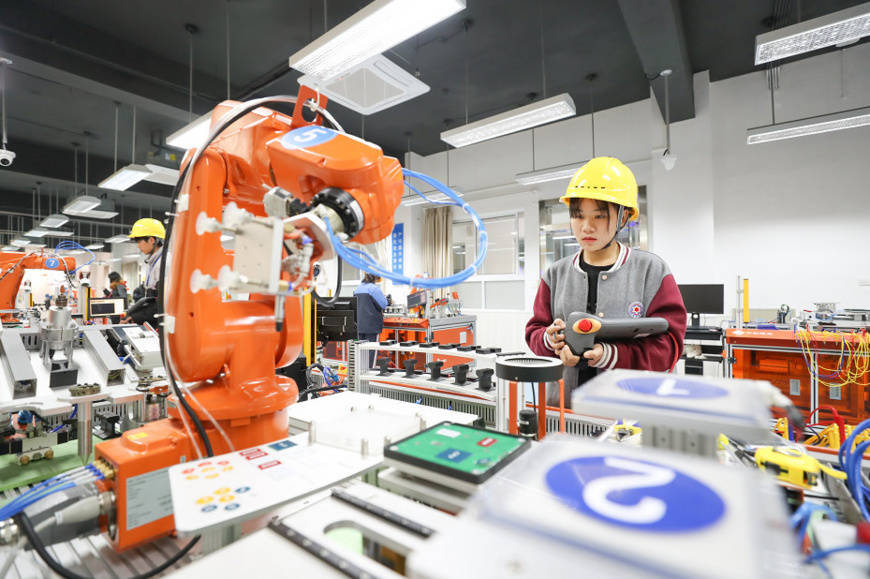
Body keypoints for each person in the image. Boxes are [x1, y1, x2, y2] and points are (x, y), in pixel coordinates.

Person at [525, 157, 686, 406]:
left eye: (599, 216)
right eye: (578, 216)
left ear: (623, 217)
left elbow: (670, 346)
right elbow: (535, 331)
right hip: (565, 408)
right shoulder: (555, 274)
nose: (586, 227)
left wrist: (610, 355)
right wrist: (550, 340)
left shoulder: (651, 271)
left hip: (628, 413)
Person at [123, 218, 165, 329]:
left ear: (151, 240)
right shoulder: (153, 263)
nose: (138, 246)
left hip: (160, 326)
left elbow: (161, 304)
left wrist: (136, 317)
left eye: (139, 241)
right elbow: (149, 299)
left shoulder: (164, 263)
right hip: (152, 322)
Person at [353, 273, 391, 366]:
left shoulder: (358, 289)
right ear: (376, 278)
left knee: (360, 351)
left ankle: (360, 375)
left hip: (359, 325)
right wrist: (389, 300)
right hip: (371, 326)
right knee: (371, 352)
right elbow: (383, 304)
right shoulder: (374, 288)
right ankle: (369, 375)